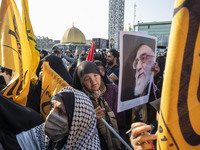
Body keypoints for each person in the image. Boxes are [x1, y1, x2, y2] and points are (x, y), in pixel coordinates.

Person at [16, 86, 101, 149]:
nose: (51, 114)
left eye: (61, 112)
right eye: (52, 106)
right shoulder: (44, 133)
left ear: (78, 123)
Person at [73, 61, 126, 150]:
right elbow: (77, 131)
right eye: (87, 79)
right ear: (81, 82)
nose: (93, 81)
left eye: (95, 75)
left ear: (100, 75)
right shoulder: (79, 100)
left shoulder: (114, 91)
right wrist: (92, 119)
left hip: (121, 142)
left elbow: (126, 117)